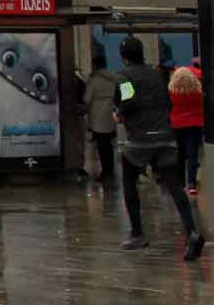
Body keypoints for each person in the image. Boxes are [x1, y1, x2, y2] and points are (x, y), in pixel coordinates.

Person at [113, 36, 204, 259]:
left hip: (140, 139)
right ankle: (192, 231)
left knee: (128, 179)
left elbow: (128, 101)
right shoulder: (157, 74)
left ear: (123, 57)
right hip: (165, 135)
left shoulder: (124, 77)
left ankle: (137, 233)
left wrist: (119, 114)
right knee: (173, 184)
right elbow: (168, 101)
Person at [168, 62, 205, 196]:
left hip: (177, 125)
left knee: (180, 155)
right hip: (195, 124)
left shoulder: (172, 92)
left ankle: (180, 182)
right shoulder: (197, 92)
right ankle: (192, 183)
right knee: (192, 155)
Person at [83, 59, 119, 186]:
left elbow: (87, 99)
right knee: (108, 145)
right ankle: (110, 169)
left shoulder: (94, 80)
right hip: (110, 115)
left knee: (102, 146)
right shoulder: (115, 77)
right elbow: (128, 93)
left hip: (98, 117)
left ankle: (105, 172)